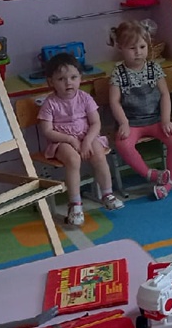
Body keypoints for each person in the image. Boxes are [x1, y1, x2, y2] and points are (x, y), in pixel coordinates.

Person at [38, 52, 124, 225]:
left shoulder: (85, 98)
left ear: (80, 78)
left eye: (73, 77)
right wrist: (70, 140)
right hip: (61, 141)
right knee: (73, 159)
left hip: (87, 136)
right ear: (51, 82)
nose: (68, 82)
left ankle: (107, 194)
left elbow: (96, 123)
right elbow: (47, 131)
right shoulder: (50, 103)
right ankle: (75, 204)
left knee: (99, 154)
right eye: (61, 79)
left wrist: (87, 141)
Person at [107, 20, 172, 200]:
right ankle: (152, 175)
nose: (138, 52)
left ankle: (170, 182)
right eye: (132, 48)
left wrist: (166, 119)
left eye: (142, 47)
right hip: (132, 123)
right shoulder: (118, 73)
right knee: (123, 144)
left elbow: (164, 94)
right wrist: (123, 123)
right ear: (120, 48)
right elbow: (114, 101)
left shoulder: (154, 68)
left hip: (156, 119)